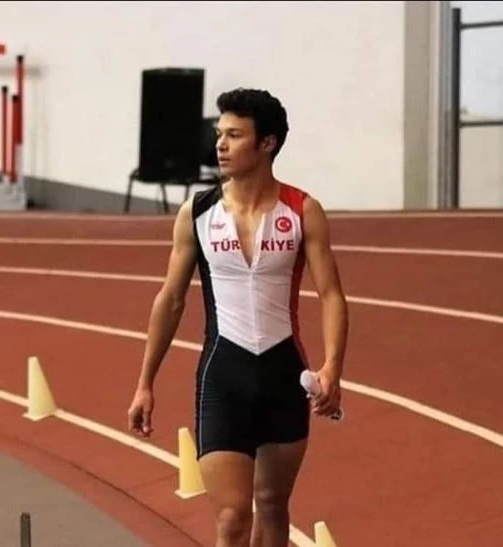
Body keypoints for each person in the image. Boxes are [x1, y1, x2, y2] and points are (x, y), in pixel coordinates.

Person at [127, 87, 349, 547]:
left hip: (283, 374)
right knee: (231, 519)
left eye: (234, 135)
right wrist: (145, 381)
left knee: (272, 504)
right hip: (223, 377)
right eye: (219, 134)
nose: (221, 145)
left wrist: (332, 367)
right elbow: (171, 299)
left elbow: (330, 294)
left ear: (267, 143)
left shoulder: (303, 210)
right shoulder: (197, 213)